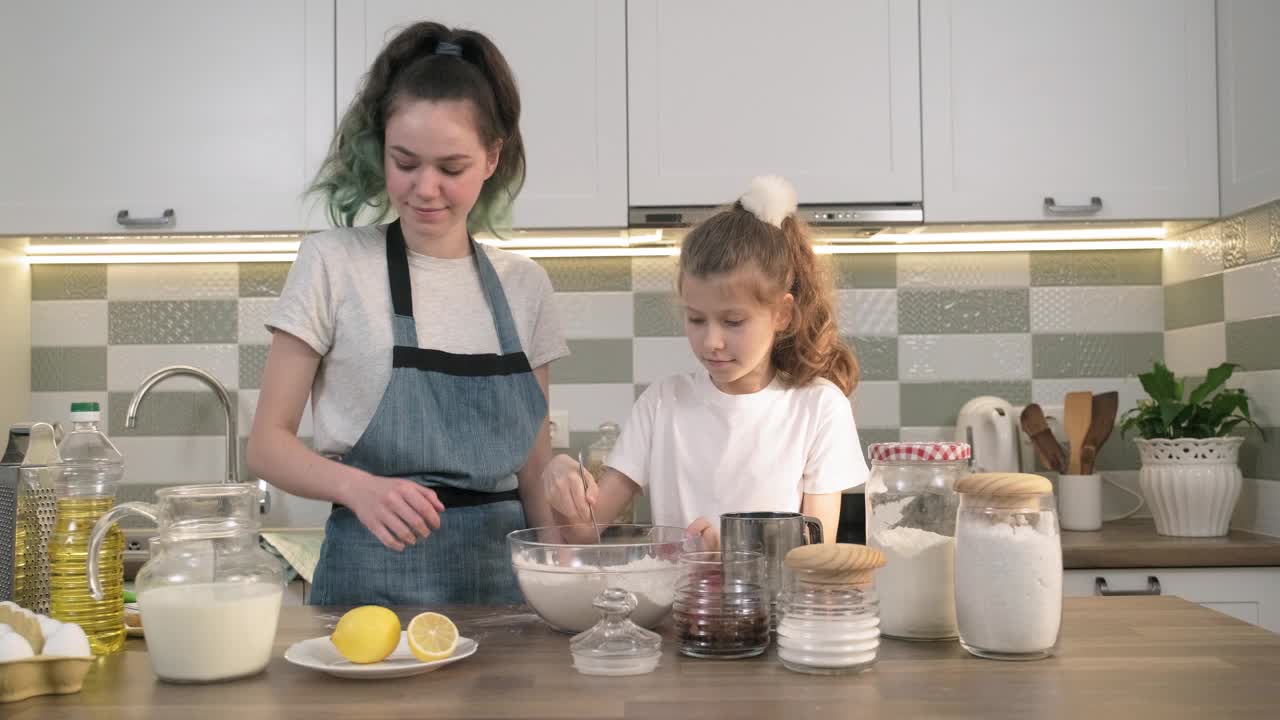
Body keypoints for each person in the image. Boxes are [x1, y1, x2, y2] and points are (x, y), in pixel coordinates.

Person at [246, 22, 567, 605]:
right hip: (369, 592)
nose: (425, 188)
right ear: (381, 149)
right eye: (405, 162)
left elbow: (533, 465)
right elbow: (267, 444)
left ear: (492, 158)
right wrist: (358, 489)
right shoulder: (332, 263)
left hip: (507, 599)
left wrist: (564, 576)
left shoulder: (525, 286)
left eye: (451, 168)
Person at [542, 176, 868, 548]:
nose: (711, 342)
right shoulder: (663, 402)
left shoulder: (818, 407)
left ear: (782, 314)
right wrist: (559, 478)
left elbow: (815, 555)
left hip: (774, 607)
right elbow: (583, 532)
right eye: (696, 319)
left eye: (733, 322)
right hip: (675, 607)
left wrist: (728, 555)